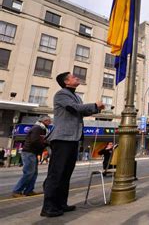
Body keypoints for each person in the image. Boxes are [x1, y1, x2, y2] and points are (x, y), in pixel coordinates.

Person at [41, 72, 105, 218]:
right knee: (56, 174)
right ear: (66, 82)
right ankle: (49, 206)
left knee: (66, 174)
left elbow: (80, 112)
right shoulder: (61, 94)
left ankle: (61, 203)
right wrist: (94, 105)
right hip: (62, 138)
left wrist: (96, 109)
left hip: (73, 139)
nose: (77, 77)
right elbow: (73, 108)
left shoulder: (76, 96)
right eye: (73, 77)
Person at [12, 115, 52, 198]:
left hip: (33, 153)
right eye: (49, 121)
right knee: (29, 173)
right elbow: (35, 141)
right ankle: (17, 190)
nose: (50, 122)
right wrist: (45, 143)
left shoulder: (42, 129)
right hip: (29, 152)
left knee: (34, 173)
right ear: (44, 121)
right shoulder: (37, 128)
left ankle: (29, 190)